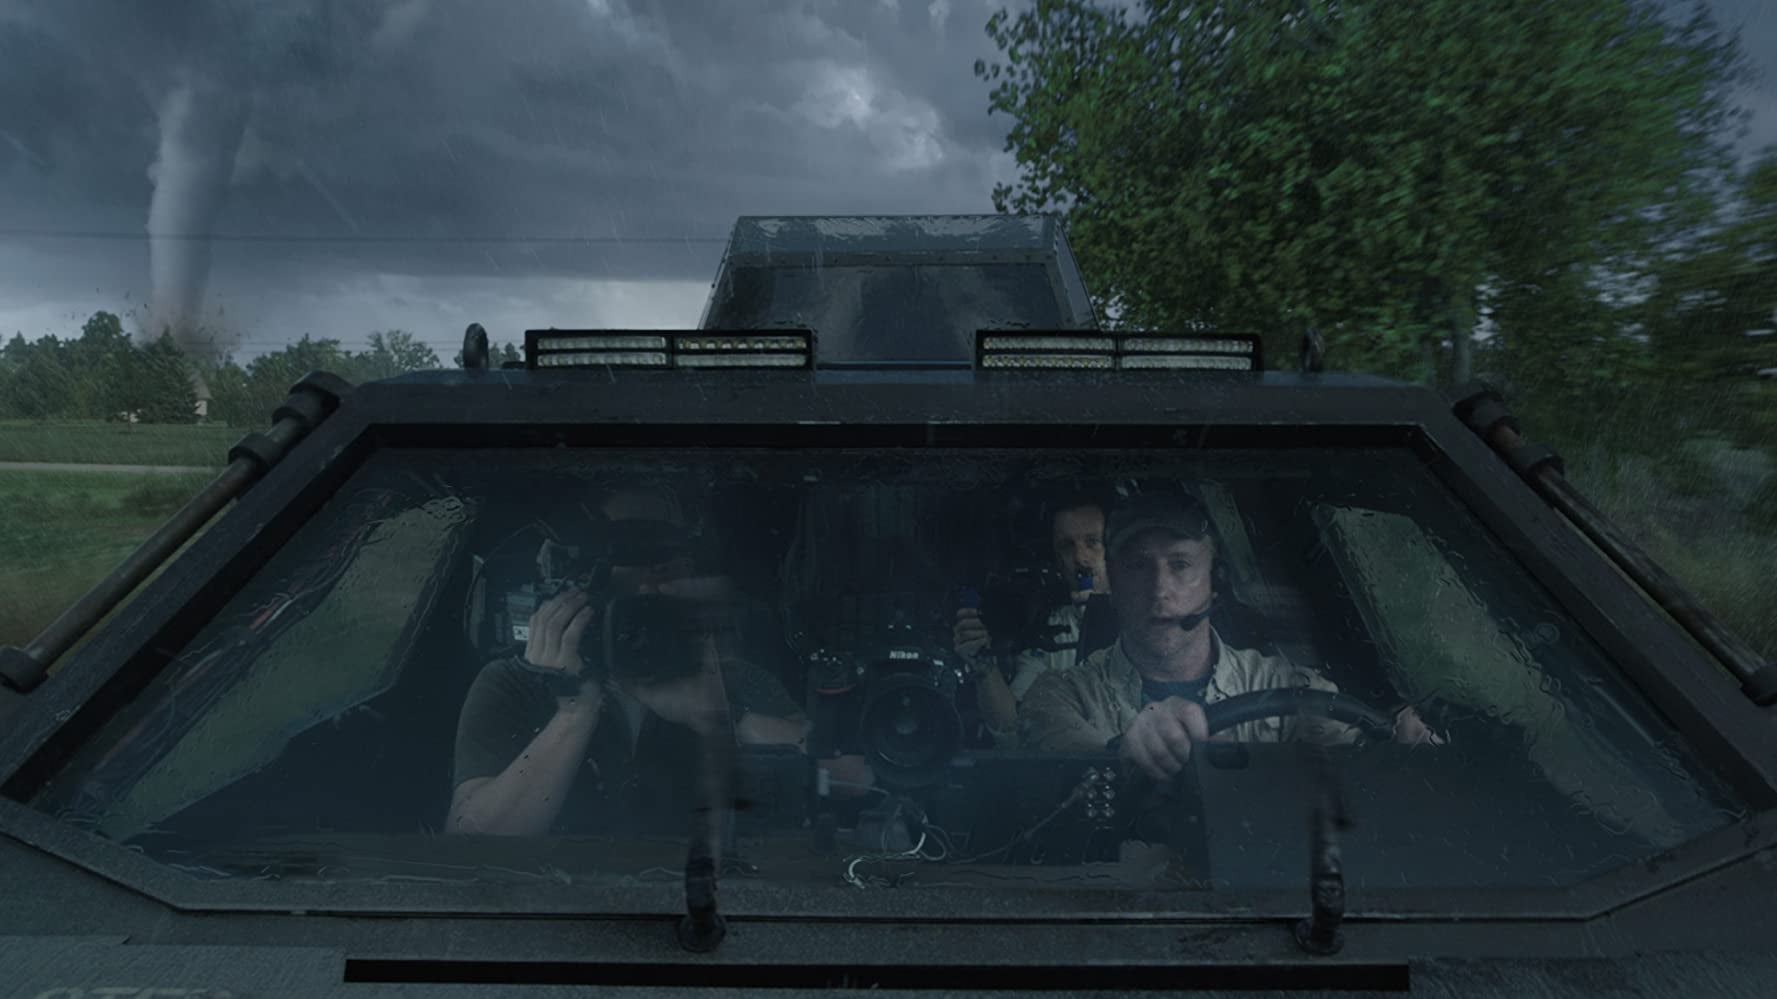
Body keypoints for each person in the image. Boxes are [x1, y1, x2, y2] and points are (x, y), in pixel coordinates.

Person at [448, 482, 871, 837]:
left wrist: (723, 717)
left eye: (668, 553)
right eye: (629, 552)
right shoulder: (516, 683)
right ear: (581, 575)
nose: (653, 575)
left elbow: (854, 778)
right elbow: (471, 840)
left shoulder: (730, 679)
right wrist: (574, 709)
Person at [1020, 491, 1439, 780]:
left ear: (1215, 582)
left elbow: (1360, 768)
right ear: (1113, 582)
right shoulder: (1061, 694)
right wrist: (1123, 753)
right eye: (1137, 566)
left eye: (1180, 565)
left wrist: (1405, 750)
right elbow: (1060, 761)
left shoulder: (1286, 688)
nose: (1159, 589)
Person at [953, 493, 1109, 747]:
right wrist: (984, 665)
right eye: (1067, 546)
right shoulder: (1050, 633)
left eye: (1092, 542)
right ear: (1057, 561)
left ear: (1114, 551)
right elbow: (1015, 729)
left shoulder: (1154, 617)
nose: (1081, 558)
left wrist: (1103, 617)